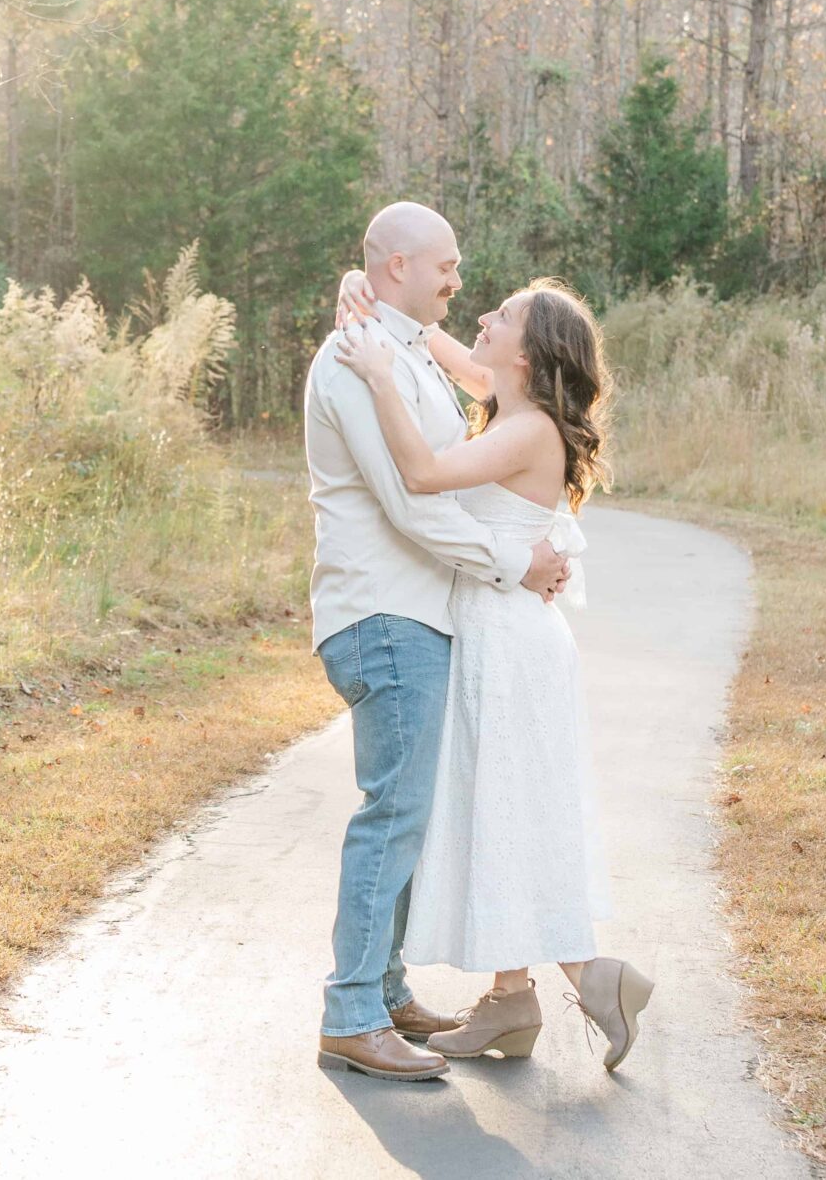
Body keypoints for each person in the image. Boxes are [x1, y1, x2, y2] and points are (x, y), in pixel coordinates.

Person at [329, 268, 656, 1072]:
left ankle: (589, 973)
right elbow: (434, 338)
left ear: (529, 354)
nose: (480, 315)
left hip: (509, 641)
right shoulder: (509, 402)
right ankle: (514, 997)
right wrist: (363, 287)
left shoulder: (529, 428)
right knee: (495, 804)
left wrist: (378, 376)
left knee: (509, 805)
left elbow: (421, 475)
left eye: (501, 315)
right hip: (498, 631)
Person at [304, 202, 573, 1083]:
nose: (460, 280)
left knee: (410, 817)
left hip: (420, 613)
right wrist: (514, 562)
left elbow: (476, 411)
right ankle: (351, 1013)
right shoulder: (354, 358)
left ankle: (383, 994)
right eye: (446, 265)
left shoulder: (407, 348)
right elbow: (412, 504)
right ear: (399, 267)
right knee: (392, 815)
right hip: (385, 613)